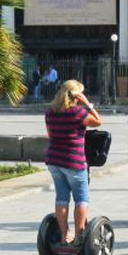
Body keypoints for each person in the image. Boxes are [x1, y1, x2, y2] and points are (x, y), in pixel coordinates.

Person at [44, 79, 102, 246]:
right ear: (77, 95)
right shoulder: (77, 112)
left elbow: (50, 134)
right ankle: (79, 237)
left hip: (54, 160)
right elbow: (98, 121)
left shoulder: (50, 112)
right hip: (74, 162)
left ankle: (64, 236)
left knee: (61, 198)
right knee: (81, 199)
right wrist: (88, 104)